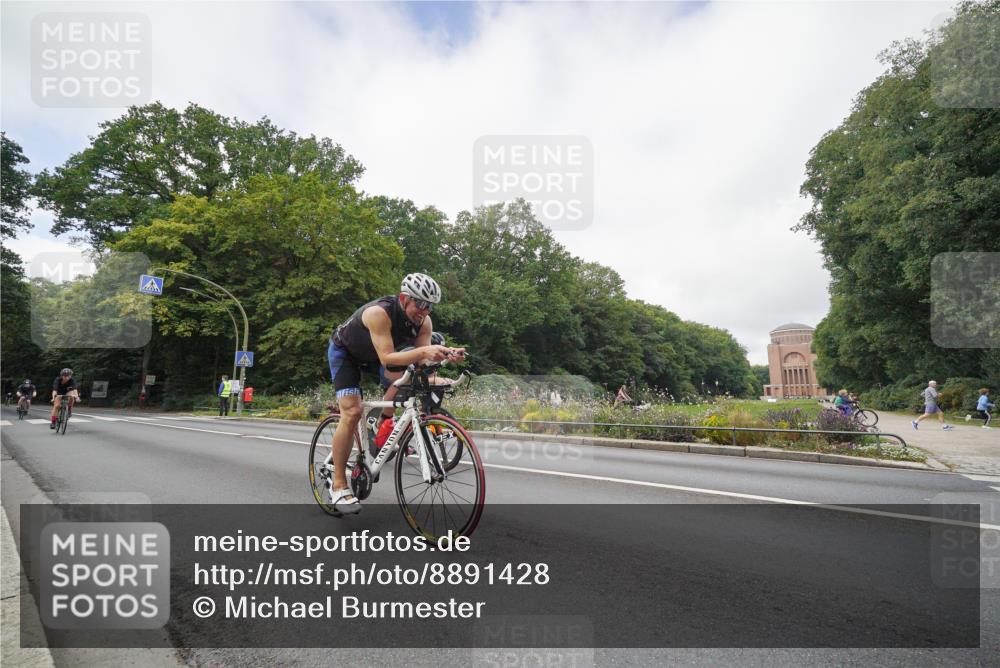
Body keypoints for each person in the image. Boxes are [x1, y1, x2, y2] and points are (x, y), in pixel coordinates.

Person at [326, 273, 465, 514]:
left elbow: (421, 361)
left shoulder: (425, 322)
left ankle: (381, 422)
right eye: (420, 304)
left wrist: (445, 354)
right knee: (352, 411)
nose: (424, 311)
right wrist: (425, 352)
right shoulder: (378, 313)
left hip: (377, 358)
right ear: (404, 299)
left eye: (429, 306)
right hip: (347, 353)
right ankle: (339, 485)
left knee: (408, 381)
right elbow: (389, 360)